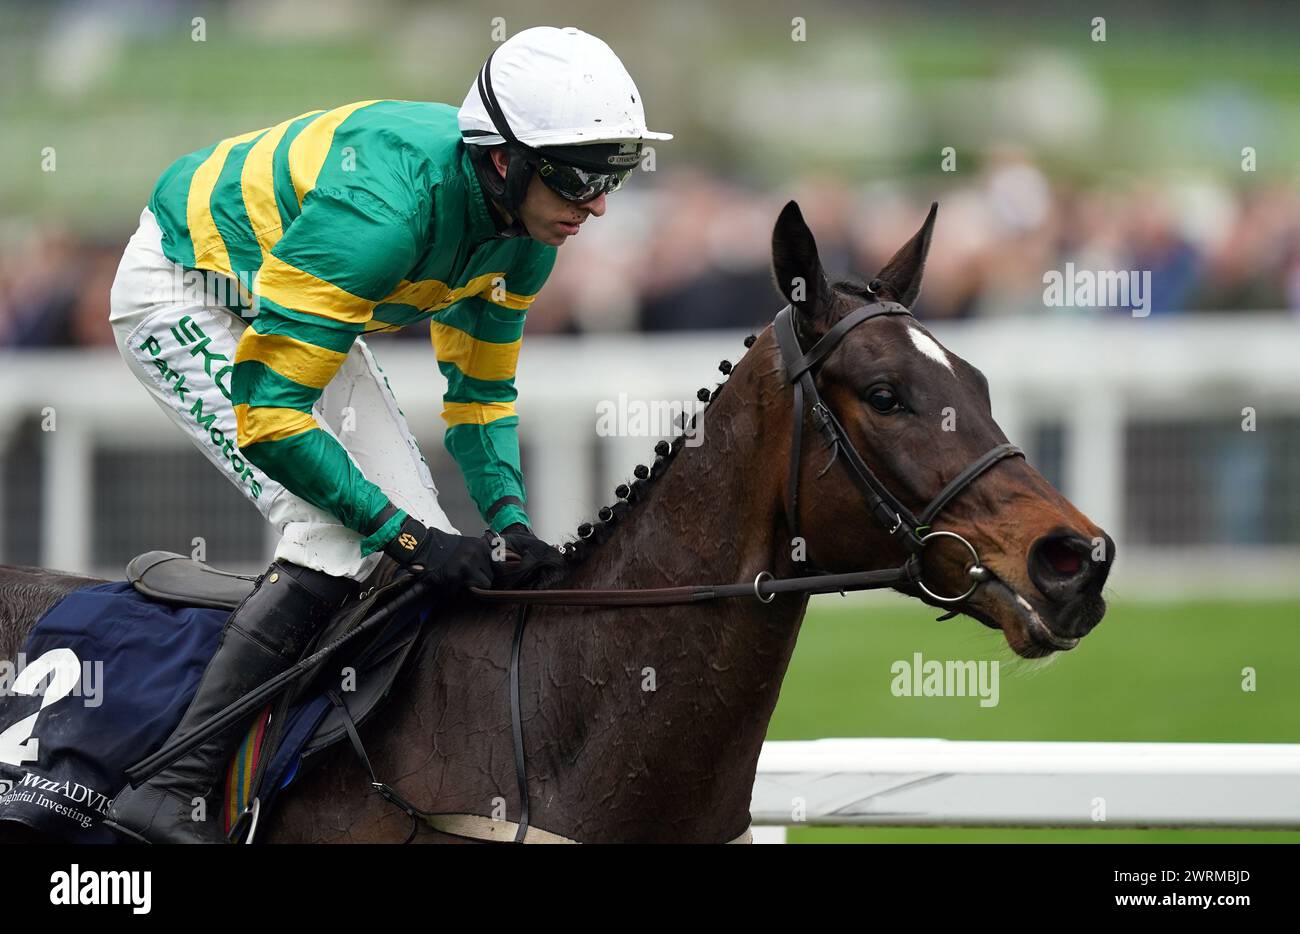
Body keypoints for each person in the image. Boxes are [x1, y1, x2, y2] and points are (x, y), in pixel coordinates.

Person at [103, 25, 670, 844]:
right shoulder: (384, 210)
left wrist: (508, 521)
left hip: (279, 295)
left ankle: (331, 782)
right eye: (583, 179)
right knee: (343, 538)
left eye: (615, 174)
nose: (600, 205)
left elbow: (479, 395)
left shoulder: (528, 235)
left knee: (422, 552)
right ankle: (170, 787)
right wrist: (403, 539)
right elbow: (271, 418)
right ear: (505, 161)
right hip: (181, 285)